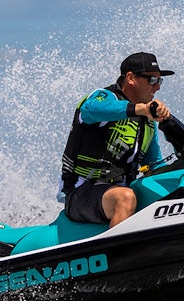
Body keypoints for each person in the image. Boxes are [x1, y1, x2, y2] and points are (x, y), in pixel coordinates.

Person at [60, 52, 174, 227]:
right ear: (130, 78)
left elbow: (155, 166)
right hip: (81, 192)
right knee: (125, 198)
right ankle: (115, 254)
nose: (157, 87)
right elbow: (90, 110)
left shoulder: (147, 123)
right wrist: (141, 109)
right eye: (152, 80)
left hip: (119, 189)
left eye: (159, 81)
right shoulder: (104, 97)